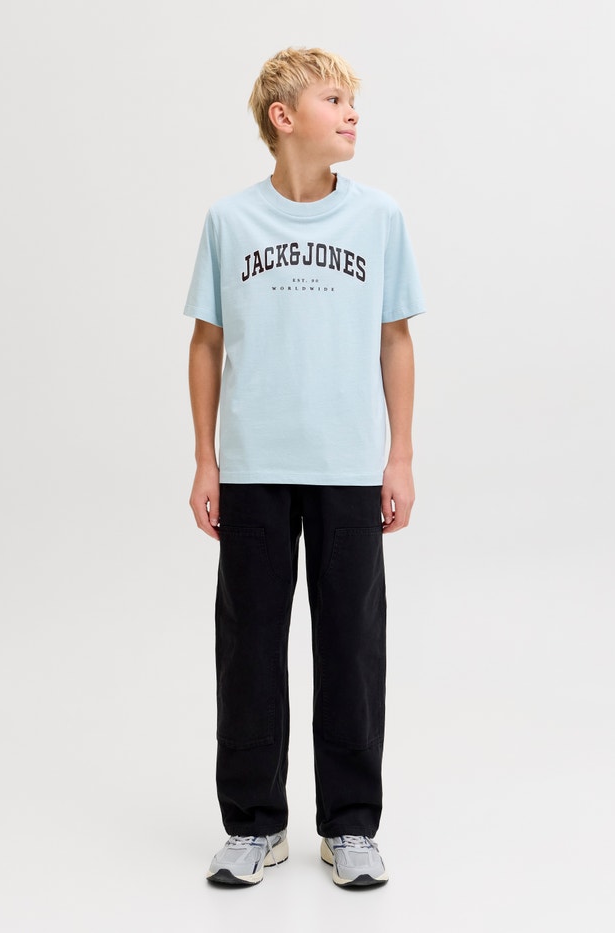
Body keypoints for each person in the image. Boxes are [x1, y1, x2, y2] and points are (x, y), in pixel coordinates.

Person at [183, 46, 426, 888]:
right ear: (284, 118)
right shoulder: (230, 221)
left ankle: (350, 825)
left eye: (353, 101)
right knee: (250, 645)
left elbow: (396, 338)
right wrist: (206, 460)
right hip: (253, 465)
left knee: (351, 645)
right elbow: (207, 343)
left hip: (349, 464)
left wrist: (399, 454)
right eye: (335, 99)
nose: (352, 113)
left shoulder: (379, 218)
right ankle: (254, 825)